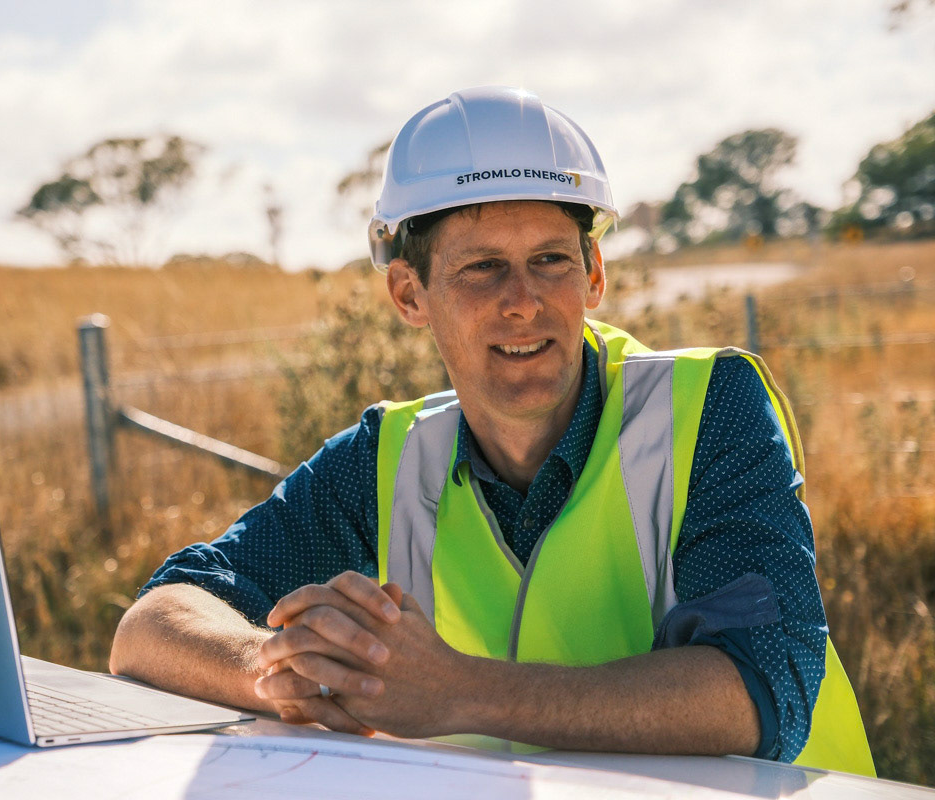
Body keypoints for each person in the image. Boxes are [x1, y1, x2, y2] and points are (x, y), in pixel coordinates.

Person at [109, 86, 874, 776]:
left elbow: (759, 689)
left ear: (594, 274)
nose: (523, 300)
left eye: (550, 260)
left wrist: (458, 692)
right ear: (409, 294)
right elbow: (152, 624)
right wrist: (276, 669)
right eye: (482, 268)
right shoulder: (382, 461)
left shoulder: (708, 409)